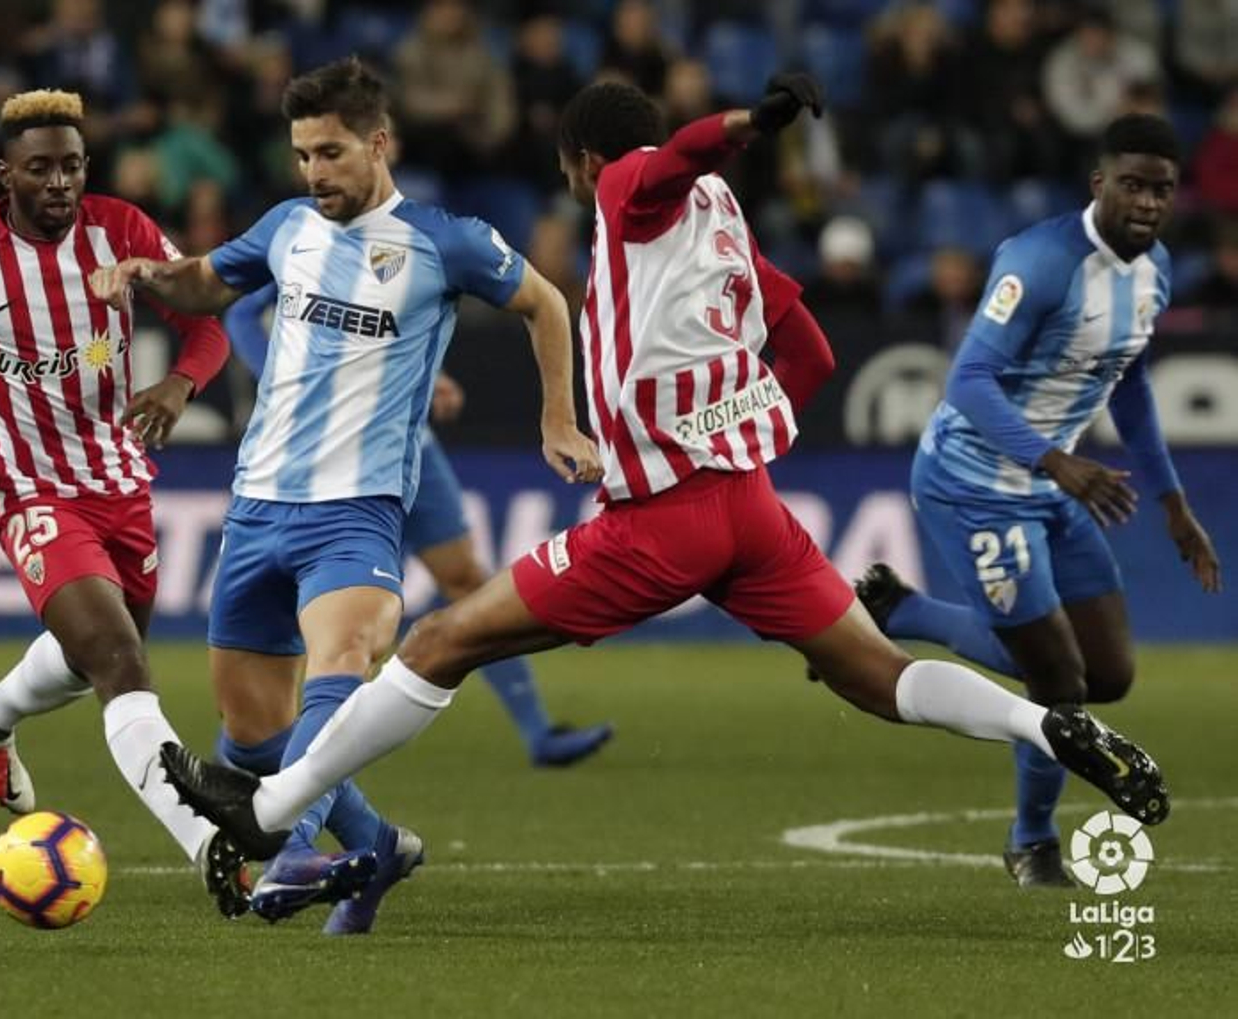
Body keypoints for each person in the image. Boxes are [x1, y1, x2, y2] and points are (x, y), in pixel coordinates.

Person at [155, 77, 1174, 886]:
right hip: (749, 507)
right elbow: (809, 350)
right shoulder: (722, 225)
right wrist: (739, 416)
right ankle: (1044, 722)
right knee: (876, 673)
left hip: (661, 520)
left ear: (585, 160)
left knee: (439, 639)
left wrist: (743, 121)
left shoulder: (627, 188)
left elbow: (667, 162)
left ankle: (273, 808)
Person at [88, 57, 601, 933]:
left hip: (356, 512)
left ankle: (296, 854)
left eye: (329, 154)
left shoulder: (445, 240)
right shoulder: (288, 227)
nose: (313, 173)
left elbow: (547, 303)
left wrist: (559, 417)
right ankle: (380, 847)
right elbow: (208, 282)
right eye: (301, 156)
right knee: (250, 737)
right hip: (255, 507)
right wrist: (148, 274)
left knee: (337, 671)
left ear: (377, 143)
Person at [0, 89, 249, 917]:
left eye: (73, 165)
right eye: (41, 167)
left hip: (120, 479)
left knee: (98, 658)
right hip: (28, 485)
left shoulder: (122, 231)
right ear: (4, 173)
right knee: (121, 661)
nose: (59, 182)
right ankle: (211, 844)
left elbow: (206, 315)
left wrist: (181, 381)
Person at [836, 114, 1220, 888]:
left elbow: (1132, 381)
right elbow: (969, 381)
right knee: (1057, 683)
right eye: (1134, 185)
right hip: (973, 482)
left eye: (1164, 189)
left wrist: (1174, 502)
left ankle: (904, 612)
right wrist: (1059, 462)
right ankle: (1032, 841)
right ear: (1099, 184)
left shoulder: (1157, 271)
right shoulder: (1041, 261)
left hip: (1049, 483)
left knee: (1108, 675)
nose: (1149, 202)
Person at [223, 282, 614, 767]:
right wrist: (291, 384)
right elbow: (241, 312)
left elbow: (392, 325)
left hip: (408, 449)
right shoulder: (308, 234)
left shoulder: (412, 239)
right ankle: (260, 748)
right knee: (313, 614)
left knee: (466, 579)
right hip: (322, 459)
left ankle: (538, 731)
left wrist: (432, 374)